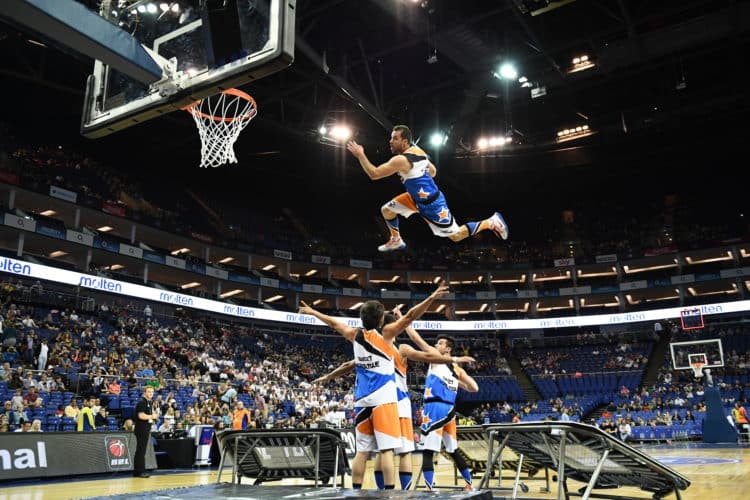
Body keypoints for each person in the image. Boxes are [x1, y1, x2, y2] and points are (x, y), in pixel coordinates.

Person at [299, 284, 448, 490]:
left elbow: (333, 323)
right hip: (383, 399)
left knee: (362, 452)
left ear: (361, 318)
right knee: (386, 451)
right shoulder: (386, 335)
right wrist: (431, 297)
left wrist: (312, 311)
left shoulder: (354, 335)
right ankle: (388, 493)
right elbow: (410, 316)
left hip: (361, 399)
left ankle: (356, 492)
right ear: (380, 320)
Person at [315, 312, 474, 490]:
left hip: (380, 401)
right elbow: (424, 352)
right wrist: (454, 361)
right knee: (405, 452)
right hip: (400, 401)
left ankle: (381, 491)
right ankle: (404, 492)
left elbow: (349, 364)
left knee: (381, 452)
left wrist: (328, 377)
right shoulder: (402, 348)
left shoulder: (373, 345)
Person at [346, 125, 508, 251]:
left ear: (404, 142)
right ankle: (396, 240)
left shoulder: (400, 160)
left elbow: (374, 174)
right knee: (386, 210)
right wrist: (417, 177)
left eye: (394, 138)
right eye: (391, 138)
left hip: (432, 204)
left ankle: (491, 222)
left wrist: (360, 154)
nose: (390, 141)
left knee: (456, 236)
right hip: (415, 198)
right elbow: (433, 171)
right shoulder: (419, 151)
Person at [418, 335, 479, 491]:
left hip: (434, 408)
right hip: (450, 411)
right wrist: (455, 381)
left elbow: (421, 343)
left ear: (448, 349)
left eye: (440, 343)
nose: (436, 345)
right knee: (453, 450)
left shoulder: (435, 359)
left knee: (428, 451)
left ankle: (429, 487)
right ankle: (469, 484)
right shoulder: (457, 369)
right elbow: (474, 388)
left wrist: (406, 323)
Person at [133, 386, 155, 478]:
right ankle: (140, 471)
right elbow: (141, 416)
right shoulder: (142, 402)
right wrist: (152, 416)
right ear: (145, 392)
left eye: (152, 392)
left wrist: (151, 419)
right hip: (141, 429)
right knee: (141, 450)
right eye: (149, 392)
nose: (151, 393)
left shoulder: (148, 403)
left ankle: (138, 470)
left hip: (145, 428)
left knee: (141, 450)